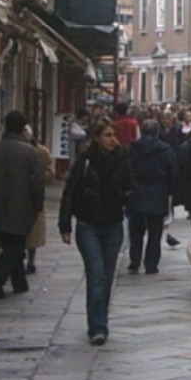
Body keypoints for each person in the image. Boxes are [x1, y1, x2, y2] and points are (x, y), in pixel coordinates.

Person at [59, 119, 135, 344]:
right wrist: (65, 224)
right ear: (96, 138)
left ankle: (100, 319)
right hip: (88, 224)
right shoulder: (84, 161)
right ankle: (97, 327)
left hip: (112, 223)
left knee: (107, 276)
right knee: (97, 275)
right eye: (108, 135)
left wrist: (122, 198)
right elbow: (70, 192)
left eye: (114, 135)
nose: (113, 140)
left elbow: (131, 188)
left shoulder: (122, 159)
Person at [0, 111, 44, 299]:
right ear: (23, 128)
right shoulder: (30, 152)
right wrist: (37, 204)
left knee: (10, 243)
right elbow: (37, 183)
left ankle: (19, 283)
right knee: (15, 246)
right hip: (22, 207)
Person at [126, 119, 178, 274]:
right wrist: (171, 192)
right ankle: (151, 263)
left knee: (135, 230)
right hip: (158, 193)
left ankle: (134, 260)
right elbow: (173, 173)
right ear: (157, 132)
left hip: (136, 192)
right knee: (155, 232)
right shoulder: (166, 150)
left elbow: (125, 170)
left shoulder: (131, 149)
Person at [23, 124, 56, 275]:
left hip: (34, 195)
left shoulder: (42, 152)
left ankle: (31, 260)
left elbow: (50, 171)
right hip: (18, 195)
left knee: (34, 233)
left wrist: (39, 178)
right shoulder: (16, 151)